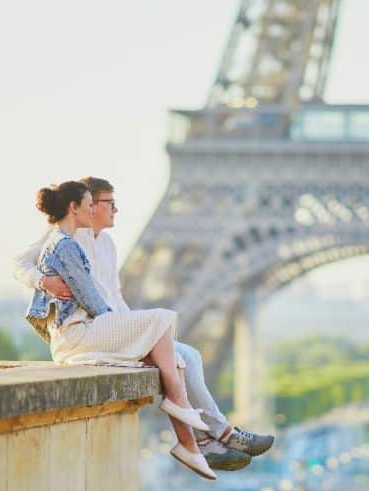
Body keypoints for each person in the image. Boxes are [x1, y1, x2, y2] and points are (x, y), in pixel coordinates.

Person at [14, 177, 273, 471]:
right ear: (87, 206)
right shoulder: (67, 239)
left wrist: (131, 330)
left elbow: (116, 296)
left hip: (109, 327)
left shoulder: (107, 244)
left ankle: (208, 439)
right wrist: (43, 281)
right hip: (91, 330)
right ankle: (212, 437)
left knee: (188, 356)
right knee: (163, 323)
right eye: (108, 203)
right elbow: (23, 264)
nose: (116, 209)